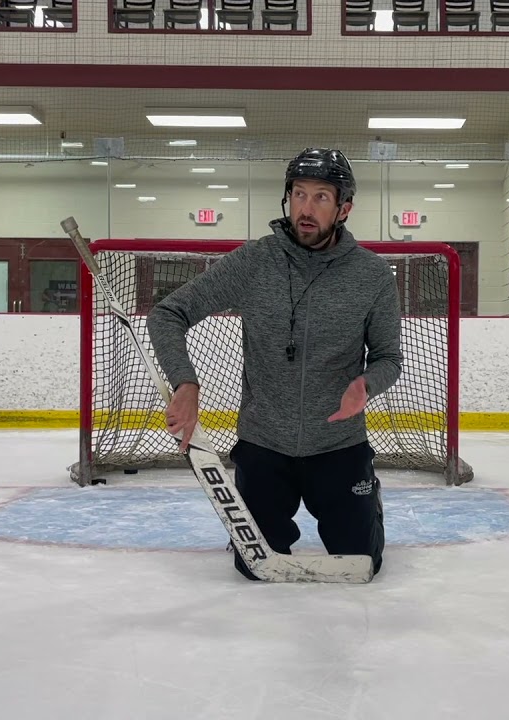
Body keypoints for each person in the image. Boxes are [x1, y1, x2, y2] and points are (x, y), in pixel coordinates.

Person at [146, 147, 402, 581]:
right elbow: (167, 314)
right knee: (253, 566)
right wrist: (185, 383)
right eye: (299, 194)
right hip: (264, 444)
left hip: (338, 445)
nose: (306, 208)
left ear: (345, 208)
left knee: (361, 562)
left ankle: (367, 502)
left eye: (321, 197)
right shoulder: (254, 262)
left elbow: (388, 357)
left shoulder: (372, 276)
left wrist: (366, 384)